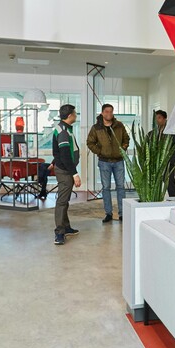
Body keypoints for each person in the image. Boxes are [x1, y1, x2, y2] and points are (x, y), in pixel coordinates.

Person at [86, 103, 130, 223]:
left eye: (111, 111)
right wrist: (100, 151)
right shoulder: (96, 128)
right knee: (106, 188)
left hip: (119, 161)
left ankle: (122, 213)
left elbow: (126, 138)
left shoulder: (119, 125)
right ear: (102, 113)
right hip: (104, 162)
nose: (109, 114)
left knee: (121, 187)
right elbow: (90, 142)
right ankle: (108, 213)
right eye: (106, 111)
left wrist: (123, 148)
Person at [52, 104, 82, 246]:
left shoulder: (64, 128)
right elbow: (64, 154)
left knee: (65, 200)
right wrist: (75, 174)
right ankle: (59, 232)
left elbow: (58, 151)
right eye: (75, 113)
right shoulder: (63, 131)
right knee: (62, 201)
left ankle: (66, 226)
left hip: (65, 169)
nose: (76, 115)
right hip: (65, 171)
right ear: (70, 115)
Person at [147, 110, 175, 197]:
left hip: (168, 164)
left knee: (170, 184)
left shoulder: (172, 133)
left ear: (165, 119)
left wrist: (170, 160)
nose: (157, 120)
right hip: (155, 165)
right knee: (154, 185)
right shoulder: (151, 134)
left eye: (159, 118)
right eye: (156, 118)